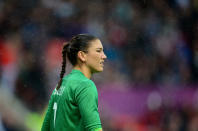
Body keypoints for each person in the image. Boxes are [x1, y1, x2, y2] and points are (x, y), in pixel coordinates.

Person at [41, 34, 107, 131]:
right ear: (82, 56)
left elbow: (46, 126)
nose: (104, 56)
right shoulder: (85, 85)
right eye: (98, 51)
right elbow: (94, 128)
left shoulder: (61, 84)